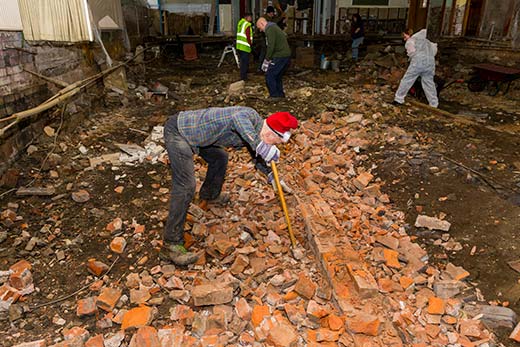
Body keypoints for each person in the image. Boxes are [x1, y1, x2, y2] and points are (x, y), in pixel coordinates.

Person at [162, 107, 298, 266]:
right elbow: (237, 118)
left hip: (202, 137)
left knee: (220, 157)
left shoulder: (254, 132)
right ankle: (171, 245)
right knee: (186, 186)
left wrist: (273, 177)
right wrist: (261, 146)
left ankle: (210, 195)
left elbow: (256, 156)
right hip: (179, 131)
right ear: (269, 134)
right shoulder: (248, 117)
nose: (272, 145)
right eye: (274, 142)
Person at [393, 29, 439, 108]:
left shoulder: (411, 41)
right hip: (430, 63)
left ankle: (398, 99)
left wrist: (412, 58)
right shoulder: (427, 41)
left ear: (409, 34)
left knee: (407, 80)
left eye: (404, 36)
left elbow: (411, 52)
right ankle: (434, 104)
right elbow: (434, 51)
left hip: (418, 62)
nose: (404, 39)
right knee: (429, 83)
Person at [256, 17, 291, 99]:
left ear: (262, 23)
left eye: (259, 28)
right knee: (277, 76)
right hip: (284, 55)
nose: (260, 30)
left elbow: (271, 45)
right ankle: (280, 95)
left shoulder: (270, 29)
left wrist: (267, 59)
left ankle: (274, 95)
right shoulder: (274, 27)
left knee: (270, 75)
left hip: (280, 55)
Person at [236, 13, 253, 81]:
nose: (251, 19)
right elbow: (248, 36)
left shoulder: (240, 23)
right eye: (250, 17)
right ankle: (244, 77)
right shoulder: (247, 25)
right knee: (245, 63)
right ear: (247, 17)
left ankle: (242, 75)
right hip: (245, 46)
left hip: (239, 46)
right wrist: (250, 44)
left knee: (242, 62)